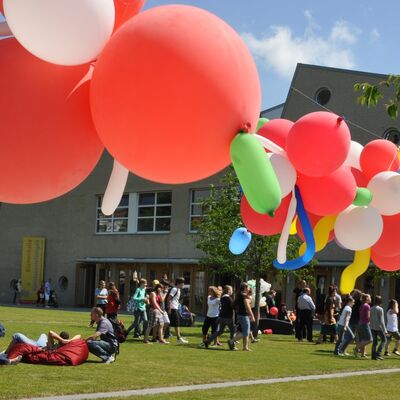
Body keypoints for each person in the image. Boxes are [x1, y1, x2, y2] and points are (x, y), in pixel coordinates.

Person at [201, 285, 235, 349]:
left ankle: (208, 341)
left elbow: (221, 306)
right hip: (228, 317)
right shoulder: (228, 298)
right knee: (232, 331)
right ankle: (232, 345)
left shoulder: (221, 298)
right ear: (228, 291)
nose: (232, 291)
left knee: (219, 331)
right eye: (231, 290)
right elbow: (232, 307)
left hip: (220, 317)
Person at [232, 282, 255, 351]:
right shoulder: (243, 295)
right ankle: (232, 341)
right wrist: (252, 315)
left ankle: (244, 347)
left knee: (240, 331)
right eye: (248, 287)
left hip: (240, 315)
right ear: (245, 288)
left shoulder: (240, 294)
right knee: (246, 332)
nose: (249, 289)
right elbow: (247, 307)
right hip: (244, 315)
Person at [165, 277, 188, 344]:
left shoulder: (178, 290)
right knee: (176, 323)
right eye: (182, 283)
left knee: (174, 323)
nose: (183, 284)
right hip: (172, 308)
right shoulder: (174, 289)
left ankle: (178, 337)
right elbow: (169, 299)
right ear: (178, 283)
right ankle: (178, 338)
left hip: (175, 308)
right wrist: (169, 308)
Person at [354, 293, 373, 358]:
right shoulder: (367, 306)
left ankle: (363, 354)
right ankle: (356, 348)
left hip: (360, 323)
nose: (370, 298)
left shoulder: (362, 305)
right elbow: (368, 316)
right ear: (367, 299)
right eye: (369, 297)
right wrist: (371, 321)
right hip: (365, 324)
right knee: (370, 339)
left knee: (363, 339)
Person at [370, 295, 387, 360]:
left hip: (372, 327)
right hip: (379, 327)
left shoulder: (371, 308)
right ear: (380, 301)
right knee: (384, 340)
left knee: (375, 342)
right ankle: (378, 354)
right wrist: (385, 330)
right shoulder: (380, 309)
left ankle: (373, 356)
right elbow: (382, 320)